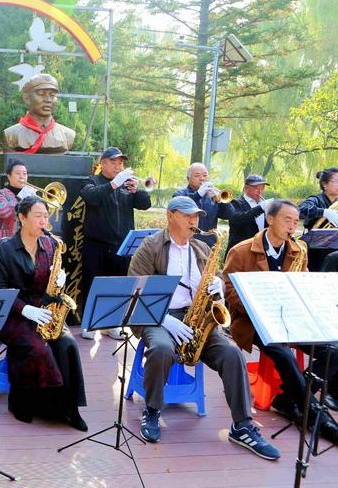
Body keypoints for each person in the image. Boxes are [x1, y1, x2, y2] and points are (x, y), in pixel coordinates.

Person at [128, 196, 279, 460]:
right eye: (188, 216)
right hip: (158, 317)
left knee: (232, 354)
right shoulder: (151, 247)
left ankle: (242, 425)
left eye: (196, 216)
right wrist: (165, 319)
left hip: (197, 317)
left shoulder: (200, 248)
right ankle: (152, 410)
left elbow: (214, 278)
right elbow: (135, 293)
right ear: (170, 215)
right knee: (162, 348)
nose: (194, 221)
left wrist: (217, 290)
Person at [223, 200, 338, 437]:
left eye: (296, 222)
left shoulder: (298, 250)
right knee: (284, 353)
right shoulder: (241, 250)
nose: (293, 227)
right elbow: (229, 291)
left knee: (334, 350)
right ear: (270, 219)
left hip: (290, 319)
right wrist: (259, 309)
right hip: (253, 322)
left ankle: (289, 397)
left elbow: (302, 285)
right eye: (288, 220)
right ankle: (315, 414)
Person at [0, 195, 87, 430]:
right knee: (38, 348)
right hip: (12, 313)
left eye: (46, 216)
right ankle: (27, 405)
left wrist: (60, 283)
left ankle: (70, 408)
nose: (44, 221)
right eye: (38, 216)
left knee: (68, 345)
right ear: (22, 218)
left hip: (44, 310)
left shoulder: (51, 244)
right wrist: (26, 310)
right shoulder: (5, 249)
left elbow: (51, 285)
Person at [79, 147, 151, 339]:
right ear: (102, 163)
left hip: (122, 245)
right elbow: (91, 197)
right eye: (113, 162)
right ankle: (89, 324)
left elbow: (145, 204)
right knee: (93, 283)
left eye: (120, 163)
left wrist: (137, 191)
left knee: (119, 285)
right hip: (96, 244)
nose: (118, 167)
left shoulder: (126, 185)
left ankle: (112, 323)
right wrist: (113, 185)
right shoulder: (92, 181)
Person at [2, 73, 76, 153]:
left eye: (52, 95)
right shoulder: (11, 134)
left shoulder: (67, 135)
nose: (48, 100)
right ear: (26, 98)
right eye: (41, 94)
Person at [172, 162, 235, 247]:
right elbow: (181, 206)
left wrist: (220, 201)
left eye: (205, 175)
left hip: (209, 245)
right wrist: (198, 194)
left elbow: (230, 214)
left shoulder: (212, 195)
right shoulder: (180, 193)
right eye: (197, 176)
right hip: (186, 243)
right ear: (188, 178)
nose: (202, 179)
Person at [298, 167, 338, 272]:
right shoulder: (315, 199)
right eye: (337, 181)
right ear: (324, 184)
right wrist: (324, 212)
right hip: (316, 251)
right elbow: (300, 210)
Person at [0, 159, 36, 251]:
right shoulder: (0, 194)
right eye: (18, 173)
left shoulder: (30, 193)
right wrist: (22, 199)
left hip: (28, 239)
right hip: (6, 239)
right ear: (9, 176)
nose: (22, 177)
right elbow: (4, 212)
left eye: (24, 173)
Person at [226, 174, 274, 253]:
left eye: (262, 188)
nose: (260, 191)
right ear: (246, 188)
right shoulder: (236, 203)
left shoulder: (266, 205)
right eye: (256, 188)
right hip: (240, 251)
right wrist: (260, 208)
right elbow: (237, 220)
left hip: (261, 250)